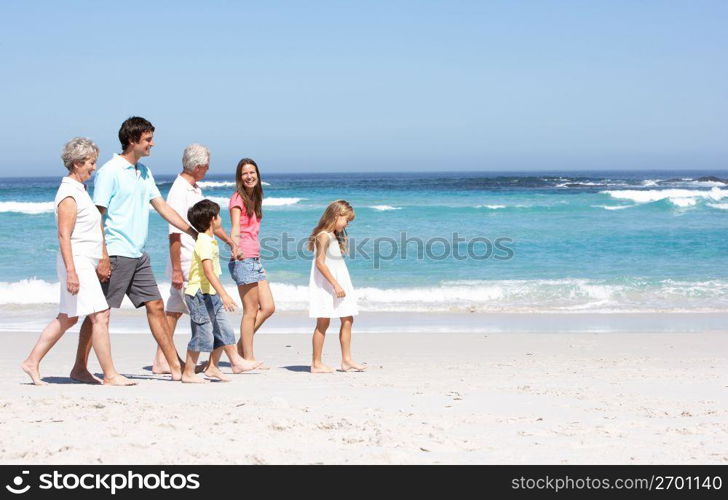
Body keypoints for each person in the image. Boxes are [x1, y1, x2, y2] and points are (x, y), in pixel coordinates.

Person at [70, 117, 198, 382]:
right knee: (99, 312)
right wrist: (103, 256)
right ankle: (80, 367)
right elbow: (98, 217)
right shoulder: (110, 171)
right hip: (116, 252)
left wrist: (190, 231)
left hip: (138, 254)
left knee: (156, 304)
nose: (153, 144)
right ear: (132, 140)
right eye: (148, 139)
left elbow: (161, 206)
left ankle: (174, 366)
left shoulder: (144, 172)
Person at [21, 138, 134, 386]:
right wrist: (72, 271)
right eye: (91, 163)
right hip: (76, 262)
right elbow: (64, 234)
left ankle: (32, 362)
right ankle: (111, 374)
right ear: (76, 163)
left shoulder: (79, 190)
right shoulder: (69, 194)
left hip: (83, 262)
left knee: (69, 317)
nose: (94, 168)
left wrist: (101, 257)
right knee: (100, 314)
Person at [151, 144, 252, 374]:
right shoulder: (179, 191)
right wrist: (176, 269)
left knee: (174, 312)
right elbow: (173, 232)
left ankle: (160, 360)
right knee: (209, 313)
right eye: (206, 166)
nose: (207, 170)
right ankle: (229, 361)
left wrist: (229, 242)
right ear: (197, 166)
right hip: (187, 264)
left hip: (191, 260)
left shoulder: (194, 188)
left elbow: (207, 223)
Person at [182, 200, 261, 383]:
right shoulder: (204, 242)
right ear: (213, 219)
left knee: (224, 330)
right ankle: (188, 372)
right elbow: (208, 271)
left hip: (211, 293)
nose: (220, 219)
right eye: (218, 215)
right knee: (202, 334)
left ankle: (217, 367)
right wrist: (224, 294)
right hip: (199, 295)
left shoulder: (210, 239)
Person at [226, 158, 275, 368]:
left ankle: (240, 349)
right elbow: (236, 227)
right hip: (243, 258)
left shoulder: (255, 198)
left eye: (252, 172)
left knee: (269, 307)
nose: (249, 176)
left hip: (254, 259)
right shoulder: (237, 198)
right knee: (250, 311)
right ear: (240, 177)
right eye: (245, 173)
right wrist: (235, 247)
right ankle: (247, 358)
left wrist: (258, 260)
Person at [307, 200, 366, 373]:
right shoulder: (324, 235)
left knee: (348, 318)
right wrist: (335, 284)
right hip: (328, 285)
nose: (348, 223)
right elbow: (320, 263)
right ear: (336, 216)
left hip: (338, 283)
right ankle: (316, 363)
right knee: (323, 322)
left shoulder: (332, 235)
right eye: (346, 220)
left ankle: (346, 360)